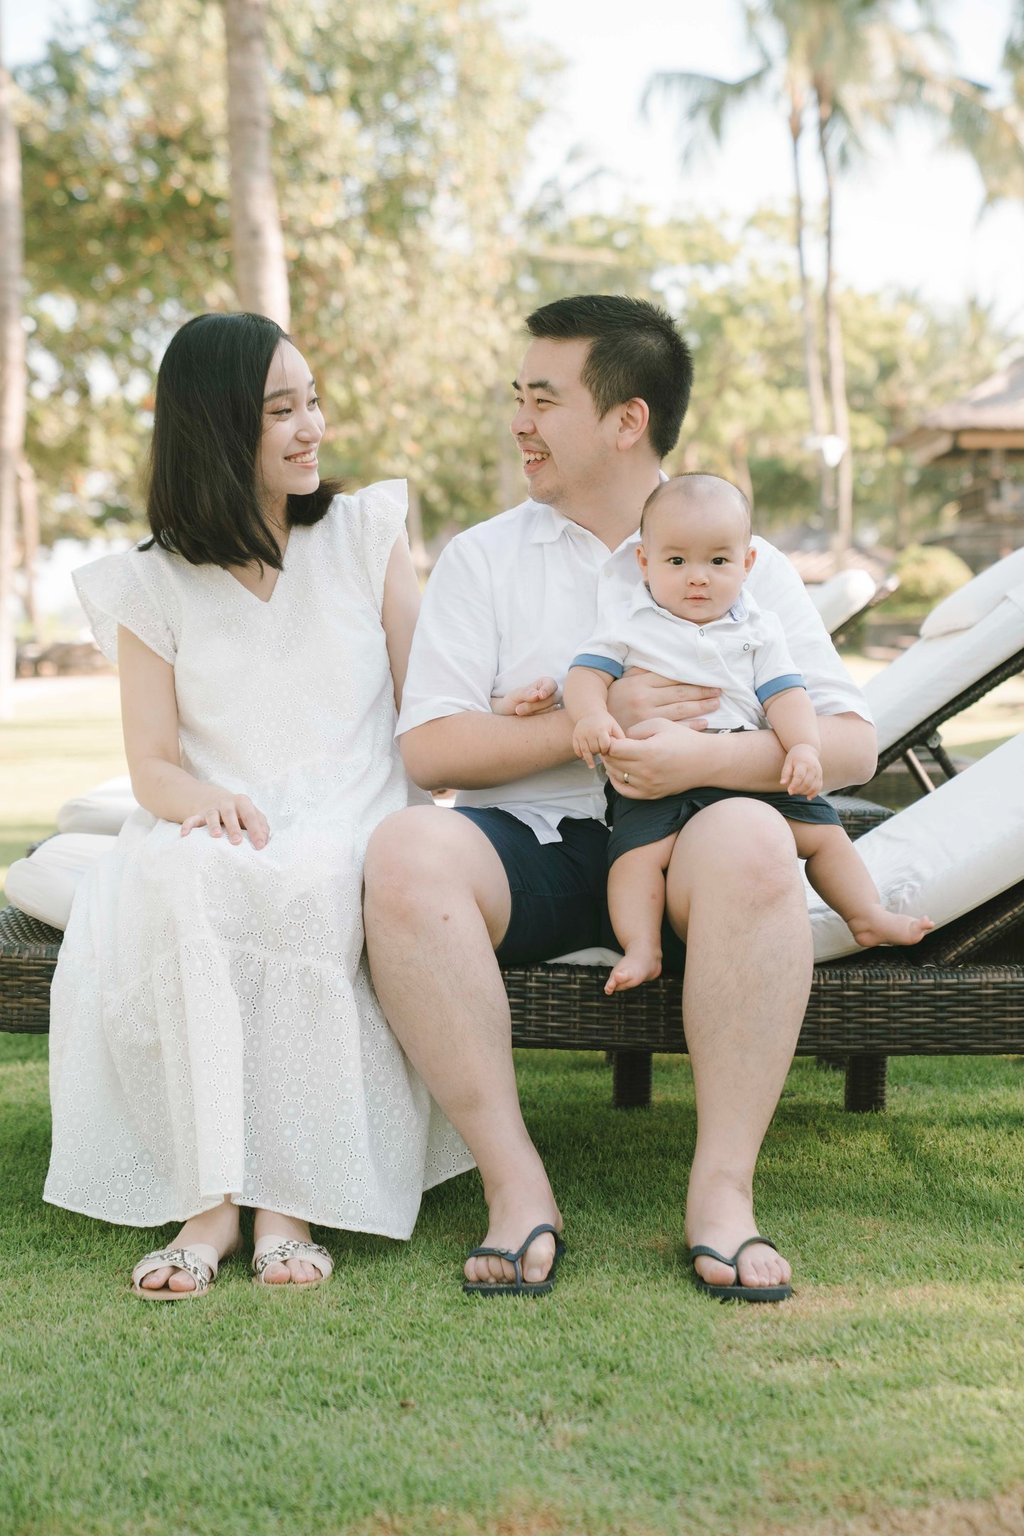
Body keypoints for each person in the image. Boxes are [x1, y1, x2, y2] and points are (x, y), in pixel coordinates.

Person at [364, 294, 877, 1304]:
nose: (518, 421)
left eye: (542, 399)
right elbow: (429, 750)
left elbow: (850, 745)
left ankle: (723, 1196)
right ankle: (516, 1190)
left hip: (694, 852)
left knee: (752, 841)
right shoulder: (485, 557)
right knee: (405, 852)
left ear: (625, 420)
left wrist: (692, 760)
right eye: (517, 397)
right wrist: (589, 722)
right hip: (540, 842)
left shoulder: (735, 557)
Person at [44, 312, 471, 1298]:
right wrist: (209, 802)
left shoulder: (366, 535)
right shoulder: (148, 583)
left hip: (357, 803)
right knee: (196, 882)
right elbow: (151, 762)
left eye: (312, 401)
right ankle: (213, 1205)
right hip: (216, 810)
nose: (310, 425)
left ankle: (289, 1203)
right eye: (281, 409)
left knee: (313, 882)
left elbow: (427, 704)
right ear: (214, 426)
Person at [562, 472, 933, 996]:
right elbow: (585, 676)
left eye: (717, 561)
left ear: (747, 564)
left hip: (749, 776)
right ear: (644, 562)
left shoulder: (759, 629)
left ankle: (866, 914)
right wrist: (592, 717)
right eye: (676, 561)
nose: (698, 577)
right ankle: (642, 946)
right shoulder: (628, 621)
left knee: (827, 838)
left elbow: (786, 695)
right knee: (635, 860)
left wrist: (803, 745)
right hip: (657, 778)